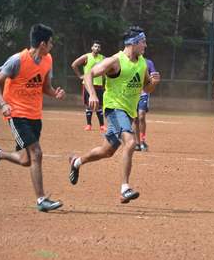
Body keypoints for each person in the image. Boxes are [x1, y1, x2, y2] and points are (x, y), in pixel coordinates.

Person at [68, 26, 160, 203]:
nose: (146, 45)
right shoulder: (115, 60)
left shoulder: (142, 63)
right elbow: (89, 74)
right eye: (143, 41)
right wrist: (93, 95)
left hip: (128, 112)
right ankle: (124, 188)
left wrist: (154, 83)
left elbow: (146, 87)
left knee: (107, 151)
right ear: (133, 43)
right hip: (114, 109)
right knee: (131, 141)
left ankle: (77, 162)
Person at [0, 24, 66, 212]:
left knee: (26, 160)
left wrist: (56, 94)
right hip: (16, 114)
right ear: (42, 44)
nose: (52, 46)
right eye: (51, 43)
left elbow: (45, 87)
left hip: (35, 115)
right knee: (37, 153)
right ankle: (41, 200)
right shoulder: (17, 60)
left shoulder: (48, 60)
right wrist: (3, 104)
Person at [71, 41, 106, 132]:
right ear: (92, 48)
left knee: (99, 105)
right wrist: (80, 76)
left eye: (98, 47)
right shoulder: (86, 56)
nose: (97, 48)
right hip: (87, 84)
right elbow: (74, 64)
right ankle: (89, 125)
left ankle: (102, 125)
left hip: (98, 85)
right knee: (89, 105)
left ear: (100, 49)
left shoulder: (102, 58)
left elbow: (108, 68)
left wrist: (104, 80)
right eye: (95, 46)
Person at [134, 56, 156, 152]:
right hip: (132, 95)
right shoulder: (128, 61)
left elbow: (153, 76)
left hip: (144, 94)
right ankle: (137, 143)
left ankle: (143, 141)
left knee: (141, 116)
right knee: (135, 119)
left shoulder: (148, 62)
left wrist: (153, 80)